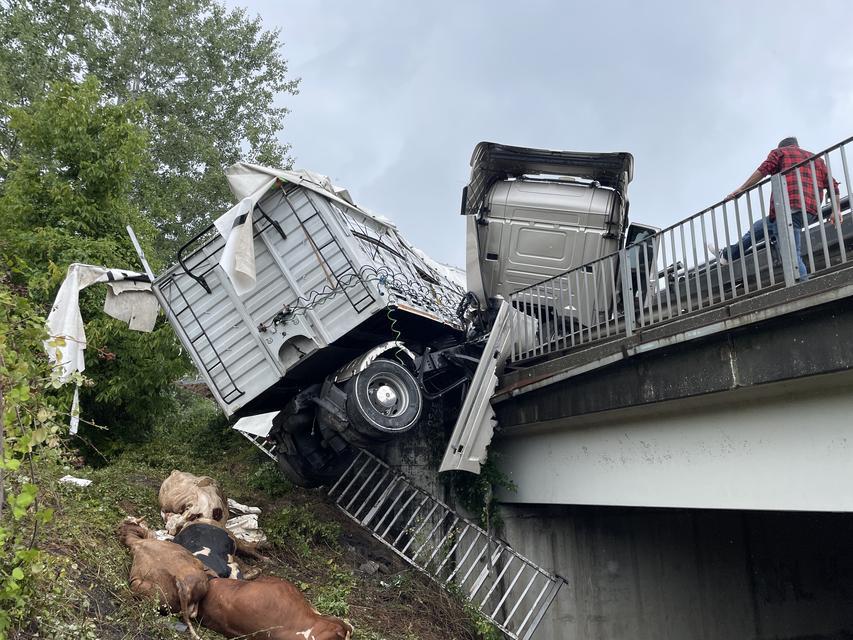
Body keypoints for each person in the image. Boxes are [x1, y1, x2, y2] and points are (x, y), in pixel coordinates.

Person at [711, 136, 840, 281]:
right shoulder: (817, 160)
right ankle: (728, 255)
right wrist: (836, 210)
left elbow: (763, 170)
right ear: (796, 145)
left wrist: (741, 189)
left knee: (791, 252)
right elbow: (833, 185)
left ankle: (803, 284)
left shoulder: (780, 153)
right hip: (809, 211)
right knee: (760, 227)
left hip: (788, 208)